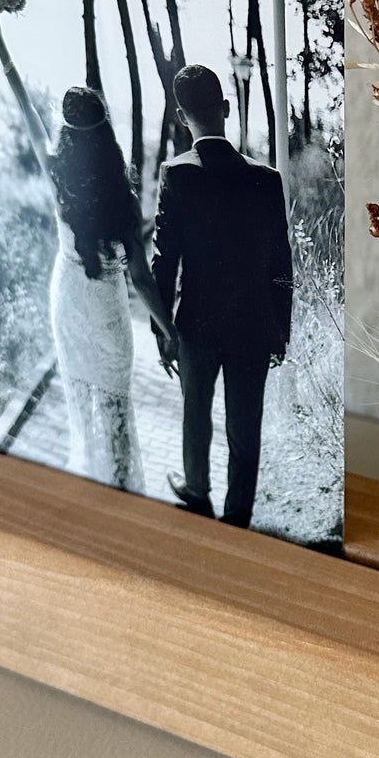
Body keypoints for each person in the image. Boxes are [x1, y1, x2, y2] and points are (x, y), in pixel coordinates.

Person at [0, 10, 176, 492]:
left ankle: (88, 490)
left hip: (67, 299)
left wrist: (1, 46)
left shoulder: (57, 176)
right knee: (114, 404)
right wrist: (167, 327)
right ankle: (119, 491)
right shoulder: (123, 195)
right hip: (108, 311)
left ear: (68, 134)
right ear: (106, 133)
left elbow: (26, 109)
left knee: (79, 400)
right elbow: (140, 278)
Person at [150, 64, 292, 528]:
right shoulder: (266, 179)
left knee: (196, 415)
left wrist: (163, 329)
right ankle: (237, 515)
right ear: (226, 109)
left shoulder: (177, 175)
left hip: (196, 325)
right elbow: (280, 265)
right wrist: (280, 331)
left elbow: (164, 262)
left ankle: (196, 494)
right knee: (243, 428)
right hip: (253, 327)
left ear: (180, 115)